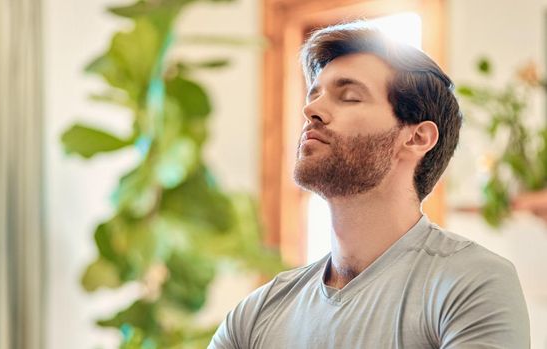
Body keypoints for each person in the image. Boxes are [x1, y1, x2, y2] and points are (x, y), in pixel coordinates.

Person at [208, 22, 530, 349]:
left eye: (348, 97)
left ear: (417, 138)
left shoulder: (473, 283)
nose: (311, 110)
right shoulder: (255, 317)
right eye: (314, 94)